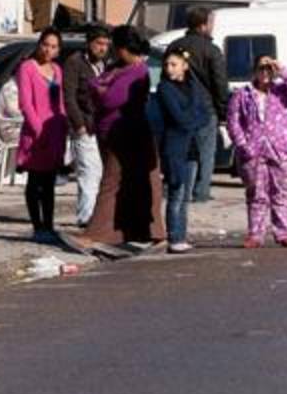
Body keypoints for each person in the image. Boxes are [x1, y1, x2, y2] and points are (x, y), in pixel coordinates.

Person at [81, 25, 165, 247]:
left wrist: (100, 90)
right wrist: (100, 90)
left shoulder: (137, 70)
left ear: (123, 48)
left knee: (113, 181)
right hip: (110, 132)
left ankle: (96, 233)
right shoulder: (117, 67)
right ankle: (135, 231)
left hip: (128, 134)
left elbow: (110, 99)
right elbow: (93, 87)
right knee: (130, 183)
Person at [226, 56, 287, 248]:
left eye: (268, 69)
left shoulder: (282, 92)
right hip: (253, 151)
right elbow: (233, 121)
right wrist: (242, 144)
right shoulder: (242, 94)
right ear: (254, 71)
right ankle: (255, 235)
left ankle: (284, 233)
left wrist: (282, 70)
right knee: (256, 194)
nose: (264, 73)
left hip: (282, 149)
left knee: (282, 192)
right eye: (261, 68)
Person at [166, 6, 229, 203]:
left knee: (180, 150)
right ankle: (200, 192)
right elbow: (220, 82)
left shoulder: (174, 46)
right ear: (203, 25)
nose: (212, 26)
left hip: (178, 107)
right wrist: (223, 111)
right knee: (205, 153)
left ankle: (180, 188)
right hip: (204, 110)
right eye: (210, 22)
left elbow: (165, 77)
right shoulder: (211, 50)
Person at [15, 27, 69, 240]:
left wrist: (63, 126)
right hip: (36, 132)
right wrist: (39, 130)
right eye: (45, 44)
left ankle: (49, 225)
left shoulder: (57, 70)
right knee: (35, 181)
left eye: (54, 47)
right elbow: (26, 103)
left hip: (55, 131)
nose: (48, 50)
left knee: (49, 183)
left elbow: (61, 103)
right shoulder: (27, 68)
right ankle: (37, 227)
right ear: (39, 44)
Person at [157, 49, 210, 254]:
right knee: (175, 194)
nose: (169, 68)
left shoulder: (194, 87)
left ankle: (182, 235)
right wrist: (192, 118)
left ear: (184, 66)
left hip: (192, 148)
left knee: (186, 197)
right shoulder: (165, 88)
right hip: (174, 147)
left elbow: (204, 114)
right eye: (167, 64)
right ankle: (174, 237)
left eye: (173, 64)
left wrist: (192, 119)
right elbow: (178, 118)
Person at [61, 24, 110, 226]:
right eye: (99, 43)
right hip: (84, 126)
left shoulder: (104, 65)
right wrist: (79, 124)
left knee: (98, 172)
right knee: (88, 172)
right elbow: (69, 96)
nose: (103, 48)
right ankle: (86, 217)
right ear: (89, 43)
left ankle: (95, 215)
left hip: (102, 127)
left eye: (106, 44)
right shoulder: (75, 63)